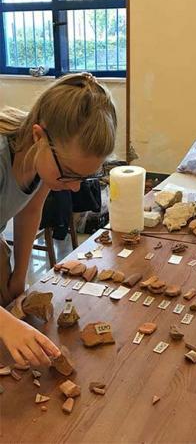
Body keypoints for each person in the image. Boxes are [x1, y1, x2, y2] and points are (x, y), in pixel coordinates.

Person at [0, 72, 117, 367]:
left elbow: (30, 211)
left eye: (84, 178)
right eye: (69, 174)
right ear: (39, 137)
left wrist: (18, 278)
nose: (75, 187)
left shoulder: (38, 155)